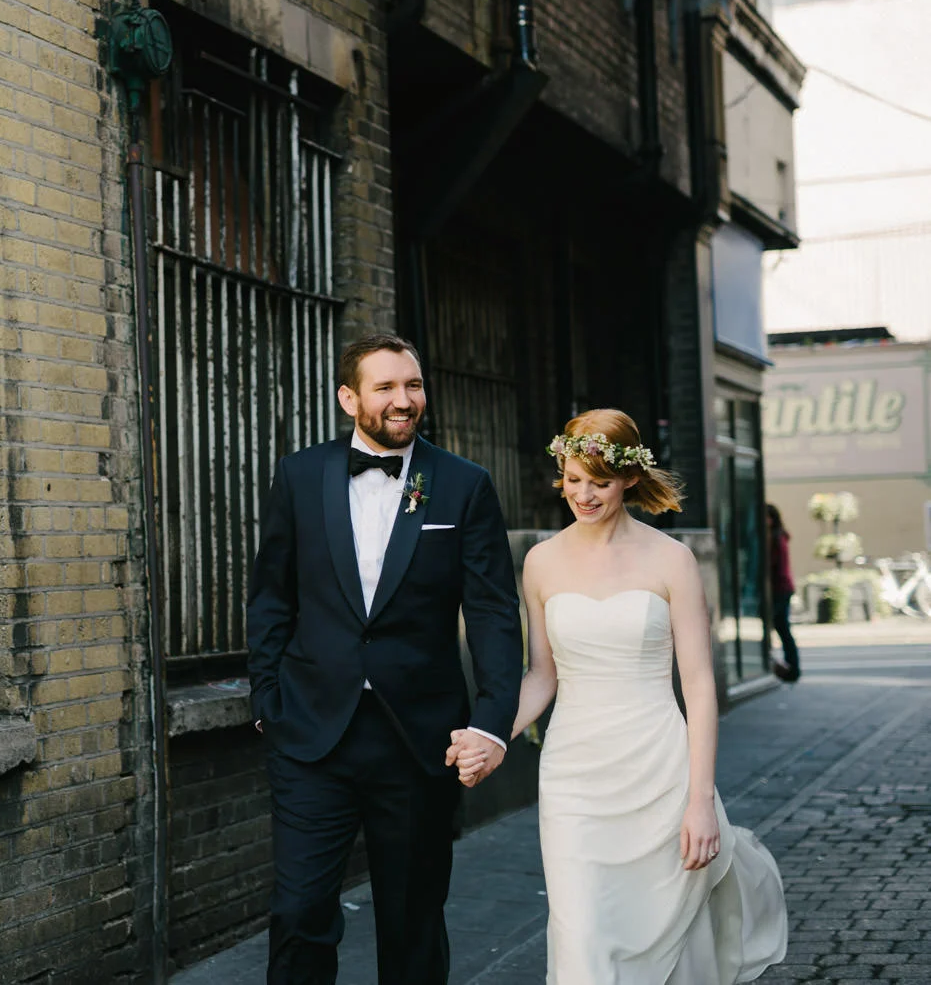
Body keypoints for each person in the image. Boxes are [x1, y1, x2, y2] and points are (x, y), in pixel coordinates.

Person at [453, 409, 787, 982]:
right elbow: (541, 676)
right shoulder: (540, 562)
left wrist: (700, 800)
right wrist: (491, 734)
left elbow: (700, 688)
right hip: (575, 776)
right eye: (573, 479)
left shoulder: (672, 560)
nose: (583, 495)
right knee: (582, 933)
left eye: (599, 482)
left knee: (667, 936)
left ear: (629, 478)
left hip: (659, 767)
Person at [246, 333, 523, 985]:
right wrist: (267, 696)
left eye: (413, 385)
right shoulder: (298, 475)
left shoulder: (461, 485)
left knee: (411, 921)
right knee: (298, 911)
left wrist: (490, 721)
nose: (404, 400)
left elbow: (491, 614)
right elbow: (269, 596)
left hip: (419, 740)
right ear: (349, 398)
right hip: (312, 734)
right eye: (386, 387)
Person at [766, 504, 801, 682]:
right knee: (782, 627)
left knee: (777, 627)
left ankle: (790, 668)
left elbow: (775, 566)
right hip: (784, 587)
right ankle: (792, 668)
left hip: (779, 588)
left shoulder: (776, 538)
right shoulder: (780, 536)